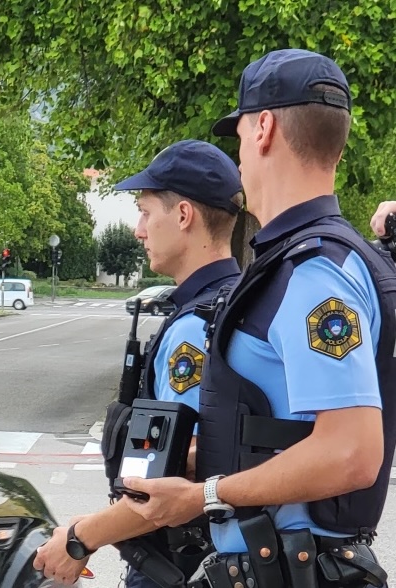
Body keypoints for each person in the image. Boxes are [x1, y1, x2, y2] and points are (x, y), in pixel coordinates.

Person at [121, 49, 396, 588]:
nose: (240, 154)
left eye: (240, 133)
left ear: (264, 127)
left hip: (291, 568)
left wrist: (206, 494)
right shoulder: (300, 262)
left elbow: (351, 452)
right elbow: (287, 429)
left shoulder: (314, 271)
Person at [32, 139, 243, 586]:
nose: (138, 230)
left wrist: (78, 538)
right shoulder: (239, 305)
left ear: (183, 215)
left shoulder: (194, 327)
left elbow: (165, 484)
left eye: (146, 212)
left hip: (178, 564)